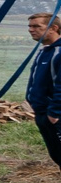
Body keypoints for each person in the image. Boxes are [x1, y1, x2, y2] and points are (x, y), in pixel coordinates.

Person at [27, 13, 61, 170]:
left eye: (36, 26)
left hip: (54, 115)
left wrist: (54, 112)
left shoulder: (59, 52)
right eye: (29, 26)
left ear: (54, 28)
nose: (31, 30)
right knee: (57, 154)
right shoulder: (44, 51)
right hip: (42, 113)